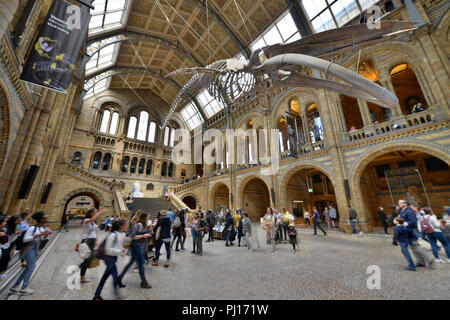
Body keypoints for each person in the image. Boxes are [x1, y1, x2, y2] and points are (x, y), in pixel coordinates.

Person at [10, 212, 52, 295]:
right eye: (45, 218)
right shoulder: (32, 228)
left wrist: (45, 235)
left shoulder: (43, 227)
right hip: (29, 248)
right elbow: (25, 239)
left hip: (36, 248)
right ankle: (24, 288)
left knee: (28, 268)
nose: (47, 219)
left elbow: (41, 238)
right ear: (40, 219)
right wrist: (40, 234)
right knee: (31, 267)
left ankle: (15, 287)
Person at [93, 219, 127, 300]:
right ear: (120, 226)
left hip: (113, 257)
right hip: (108, 257)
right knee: (115, 276)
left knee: (105, 277)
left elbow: (119, 244)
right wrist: (119, 251)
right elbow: (107, 250)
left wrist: (121, 249)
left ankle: (97, 295)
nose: (127, 225)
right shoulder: (112, 235)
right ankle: (117, 296)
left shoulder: (121, 234)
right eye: (125, 224)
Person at [118, 213, 152, 289]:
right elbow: (132, 236)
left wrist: (147, 233)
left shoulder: (144, 225)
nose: (149, 217)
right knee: (141, 264)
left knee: (131, 263)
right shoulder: (138, 225)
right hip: (136, 246)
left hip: (138, 246)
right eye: (148, 216)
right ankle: (144, 282)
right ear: (144, 217)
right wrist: (144, 236)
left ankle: (119, 278)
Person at [79, 208, 103, 283]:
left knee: (90, 258)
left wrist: (96, 239)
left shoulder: (94, 222)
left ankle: (80, 268)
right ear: (91, 213)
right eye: (95, 212)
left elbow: (95, 230)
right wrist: (100, 212)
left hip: (92, 240)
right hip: (87, 240)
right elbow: (91, 220)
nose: (97, 213)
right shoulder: (86, 220)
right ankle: (82, 276)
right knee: (87, 259)